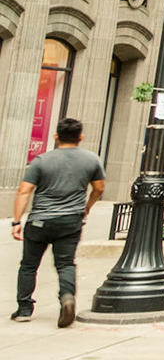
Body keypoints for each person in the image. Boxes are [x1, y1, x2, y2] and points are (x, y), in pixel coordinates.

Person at [12, 119, 106, 326]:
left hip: (39, 221)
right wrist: (87, 207)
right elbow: (99, 188)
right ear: (80, 137)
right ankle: (67, 297)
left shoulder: (41, 161)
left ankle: (24, 309)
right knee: (65, 264)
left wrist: (16, 221)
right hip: (70, 221)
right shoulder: (91, 160)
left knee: (29, 265)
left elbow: (24, 191)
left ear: (56, 136)